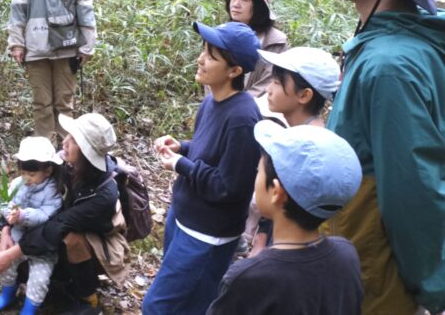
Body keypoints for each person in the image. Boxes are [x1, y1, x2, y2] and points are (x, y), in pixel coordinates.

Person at [324, 0, 445, 314]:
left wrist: (433, 292)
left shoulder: (389, 66)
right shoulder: (390, 46)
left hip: (376, 278)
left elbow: (412, 192)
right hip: (363, 263)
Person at [143, 21, 262, 315]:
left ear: (234, 71)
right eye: (203, 50)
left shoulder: (243, 119)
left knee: (157, 307)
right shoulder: (212, 101)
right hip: (183, 217)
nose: (200, 58)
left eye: (211, 55)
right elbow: (208, 150)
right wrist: (181, 147)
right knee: (191, 303)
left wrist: (181, 165)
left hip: (207, 234)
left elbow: (230, 187)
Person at [207, 121, 363, 314]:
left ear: (276, 192)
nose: (255, 176)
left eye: (258, 171)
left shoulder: (248, 278)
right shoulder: (346, 256)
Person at [0, 113, 128, 315]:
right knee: (34, 250)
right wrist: (5, 230)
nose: (65, 142)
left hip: (92, 240)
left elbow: (59, 226)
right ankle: (51, 279)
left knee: (71, 239)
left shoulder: (103, 194)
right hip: (50, 225)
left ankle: (87, 295)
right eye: (68, 135)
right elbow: (21, 193)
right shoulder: (63, 164)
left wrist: (11, 254)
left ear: (86, 152)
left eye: (74, 140)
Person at [7, 0, 97, 142]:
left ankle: (68, 156)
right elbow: (19, 7)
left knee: (64, 103)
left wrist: (88, 44)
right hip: (36, 46)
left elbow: (84, 7)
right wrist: (17, 43)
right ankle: (45, 154)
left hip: (67, 45)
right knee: (42, 103)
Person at [247, 47, 341, 257]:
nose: (269, 89)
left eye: (278, 83)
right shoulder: (295, 136)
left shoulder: (307, 152)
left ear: (304, 95)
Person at [0, 137, 63, 314]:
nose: (27, 178)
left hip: (43, 244)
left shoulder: (53, 191)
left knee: (39, 279)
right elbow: (5, 201)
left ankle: (29, 308)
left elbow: (47, 214)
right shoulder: (18, 183)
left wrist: (23, 215)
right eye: (24, 173)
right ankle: (7, 294)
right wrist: (9, 213)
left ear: (47, 170)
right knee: (7, 263)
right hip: (19, 234)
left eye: (32, 175)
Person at [220, 0, 288, 96]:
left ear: (259, 7)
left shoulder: (275, 41)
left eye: (245, 0)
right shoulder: (222, 33)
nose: (236, 4)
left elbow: (268, 82)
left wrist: (238, 105)